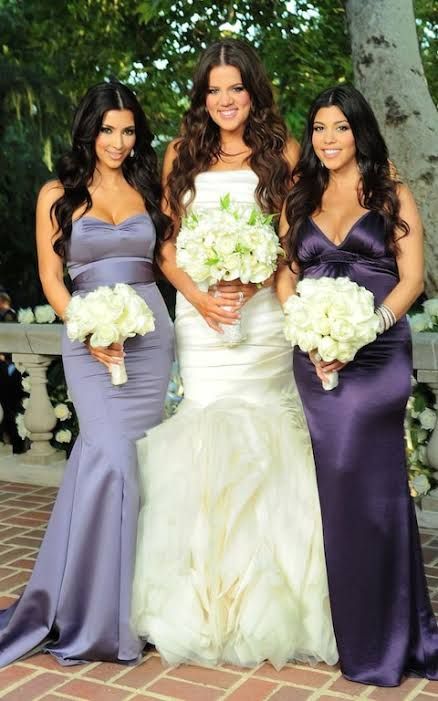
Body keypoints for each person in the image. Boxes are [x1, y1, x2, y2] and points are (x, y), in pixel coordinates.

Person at [131, 39, 338, 670]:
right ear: (203, 95)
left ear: (254, 91)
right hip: (201, 324)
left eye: (237, 88)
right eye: (215, 89)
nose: (225, 100)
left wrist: (255, 284)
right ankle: (199, 602)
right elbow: (165, 247)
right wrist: (198, 296)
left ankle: (271, 605)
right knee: (204, 442)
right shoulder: (179, 154)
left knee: (268, 443)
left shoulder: (285, 154)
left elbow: (287, 242)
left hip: (262, 321)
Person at [0, 82, 174, 666]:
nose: (118, 142)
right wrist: (91, 328)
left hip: (150, 338)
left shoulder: (151, 186)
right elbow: (52, 279)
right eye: (107, 130)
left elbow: (169, 262)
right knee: (110, 457)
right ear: (88, 130)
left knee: (141, 467)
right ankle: (92, 613)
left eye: (128, 131)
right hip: (89, 337)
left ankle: (137, 605)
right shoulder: (58, 192)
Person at [277, 84, 438, 686]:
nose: (327, 139)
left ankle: (393, 634)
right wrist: (311, 337)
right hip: (316, 358)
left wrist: (367, 329)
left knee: (374, 486)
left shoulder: (390, 192)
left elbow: (413, 278)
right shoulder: (301, 195)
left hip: (377, 356)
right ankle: (364, 632)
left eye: (340, 127)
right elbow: (285, 277)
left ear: (359, 132)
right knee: (338, 487)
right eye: (319, 128)